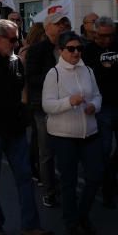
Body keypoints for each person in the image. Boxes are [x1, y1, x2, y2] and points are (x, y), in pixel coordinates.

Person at [0, 18, 53, 235]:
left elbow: (23, 92)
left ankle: (30, 227)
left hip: (16, 131)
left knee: (24, 178)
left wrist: (25, 115)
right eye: (12, 39)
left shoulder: (16, 62)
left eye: (16, 38)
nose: (16, 42)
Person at [44, 30, 103, 235]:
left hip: (89, 132)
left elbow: (97, 95)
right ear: (61, 51)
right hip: (63, 135)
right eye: (71, 49)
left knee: (95, 176)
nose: (76, 52)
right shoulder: (55, 74)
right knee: (68, 182)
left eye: (79, 48)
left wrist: (94, 106)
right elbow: (47, 104)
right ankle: (71, 224)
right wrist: (69, 102)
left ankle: (82, 215)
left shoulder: (87, 70)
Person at [83, 16, 118, 208]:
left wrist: (115, 65)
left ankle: (111, 174)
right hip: (102, 106)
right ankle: (107, 187)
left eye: (110, 35)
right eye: (103, 36)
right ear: (95, 33)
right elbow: (96, 72)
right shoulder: (88, 51)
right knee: (103, 150)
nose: (107, 40)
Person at [25, 11, 71, 207]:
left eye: (63, 23)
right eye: (56, 23)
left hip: (68, 106)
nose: (61, 26)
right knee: (46, 152)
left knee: (67, 150)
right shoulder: (37, 50)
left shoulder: (72, 47)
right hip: (43, 107)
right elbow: (32, 78)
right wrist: (56, 79)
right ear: (47, 28)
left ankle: (67, 186)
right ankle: (49, 190)